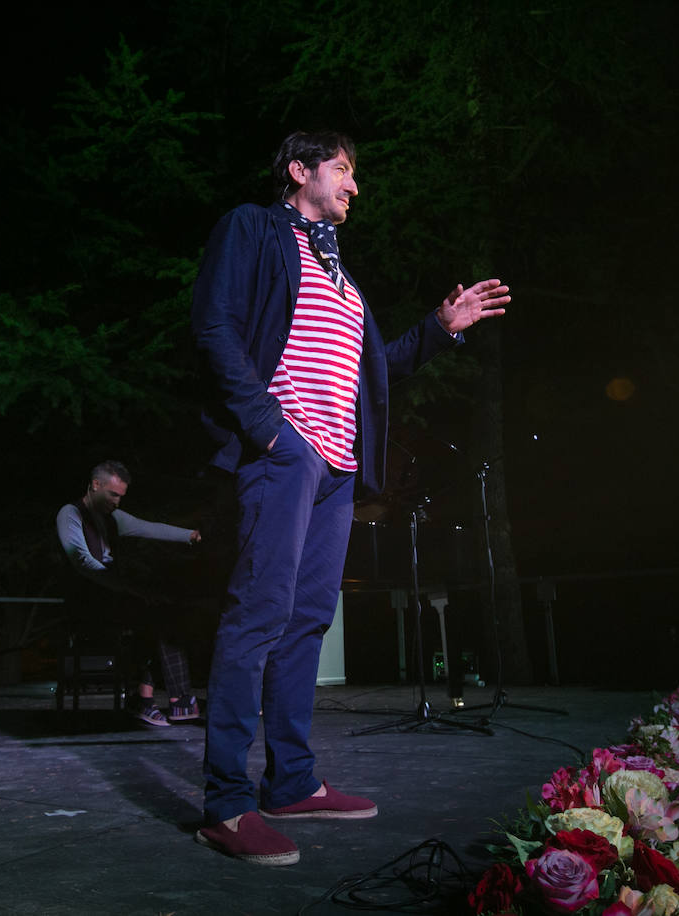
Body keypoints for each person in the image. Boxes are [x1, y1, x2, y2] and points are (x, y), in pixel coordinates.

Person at [189, 129, 510, 865]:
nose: (354, 187)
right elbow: (214, 326)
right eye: (343, 170)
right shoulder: (255, 229)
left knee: (306, 621)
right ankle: (227, 804)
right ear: (299, 171)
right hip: (285, 454)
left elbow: (375, 373)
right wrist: (271, 430)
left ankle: (293, 780)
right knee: (259, 614)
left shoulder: (340, 275)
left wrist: (439, 330)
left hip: (337, 470)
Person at [56, 460, 203, 726]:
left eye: (121, 496)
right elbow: (81, 561)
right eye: (113, 494)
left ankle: (150, 699)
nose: (117, 502)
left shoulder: (113, 518)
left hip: (112, 594)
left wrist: (189, 535)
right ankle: (162, 699)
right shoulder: (70, 513)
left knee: (161, 612)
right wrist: (127, 588)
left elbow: (148, 527)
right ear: (95, 485)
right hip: (85, 597)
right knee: (152, 613)